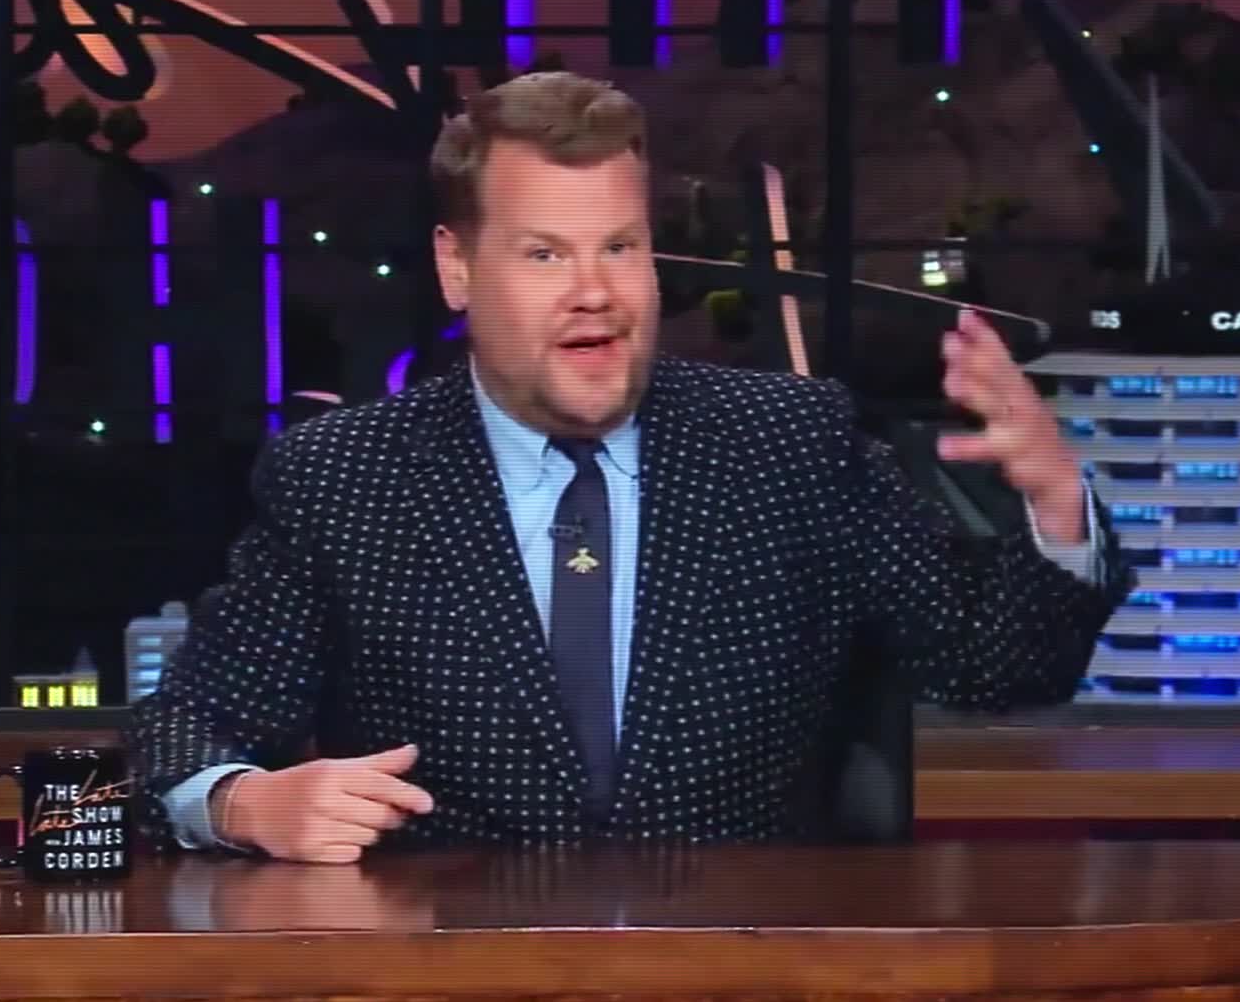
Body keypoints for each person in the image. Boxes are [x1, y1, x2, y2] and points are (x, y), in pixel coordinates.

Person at [127, 71, 1132, 864]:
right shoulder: (346, 478)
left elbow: (994, 664)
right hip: (454, 972)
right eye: (545, 255)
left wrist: (1055, 507)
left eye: (620, 247)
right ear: (456, 267)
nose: (595, 292)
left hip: (742, 970)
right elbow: (186, 723)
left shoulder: (789, 444)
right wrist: (246, 803)